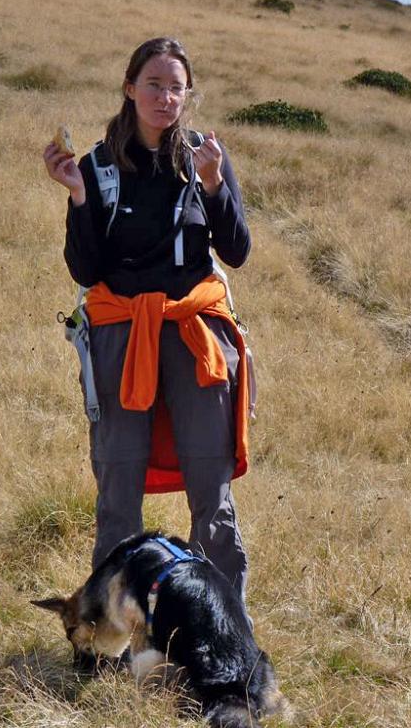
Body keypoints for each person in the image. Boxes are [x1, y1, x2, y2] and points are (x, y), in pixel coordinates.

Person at [42, 37, 253, 603]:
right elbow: (85, 268)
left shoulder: (204, 158)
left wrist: (213, 186)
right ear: (130, 89)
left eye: (176, 87)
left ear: (189, 96)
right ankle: (111, 631)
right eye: (153, 85)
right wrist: (79, 197)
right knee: (118, 488)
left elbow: (235, 251)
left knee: (212, 490)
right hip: (119, 338)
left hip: (194, 337)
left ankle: (221, 628)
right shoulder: (97, 166)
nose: (165, 97)